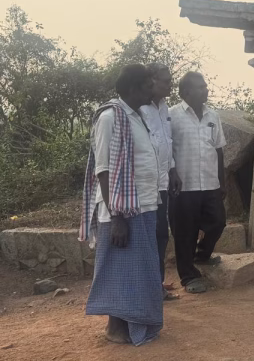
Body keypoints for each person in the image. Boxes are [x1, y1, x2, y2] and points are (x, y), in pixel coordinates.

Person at [79, 64, 163, 345]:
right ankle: (117, 329)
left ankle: (134, 325)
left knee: (138, 269)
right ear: (133, 88)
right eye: (149, 84)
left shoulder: (138, 116)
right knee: (121, 269)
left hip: (144, 205)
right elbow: (103, 169)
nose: (154, 89)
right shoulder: (109, 117)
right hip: (122, 210)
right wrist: (117, 216)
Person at [169, 72, 227, 294]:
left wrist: (222, 181)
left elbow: (219, 149)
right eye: (200, 87)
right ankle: (188, 276)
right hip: (184, 185)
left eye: (205, 86)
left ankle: (202, 255)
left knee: (218, 222)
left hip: (210, 182)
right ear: (185, 93)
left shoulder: (213, 115)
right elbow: (165, 149)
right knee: (185, 232)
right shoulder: (172, 115)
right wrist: (171, 172)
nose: (206, 90)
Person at [140, 63, 182, 299]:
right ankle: (150, 287)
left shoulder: (164, 108)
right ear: (151, 81)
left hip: (163, 182)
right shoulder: (139, 109)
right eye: (165, 81)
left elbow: (167, 142)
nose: (170, 84)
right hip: (146, 185)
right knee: (151, 234)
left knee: (161, 234)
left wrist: (173, 170)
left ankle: (157, 284)